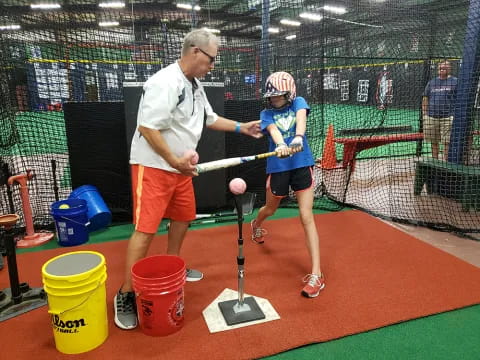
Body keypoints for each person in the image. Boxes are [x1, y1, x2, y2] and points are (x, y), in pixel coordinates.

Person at [114, 29, 262, 330]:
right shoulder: (165, 82)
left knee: (183, 218)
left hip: (180, 168)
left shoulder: (195, 84)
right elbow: (148, 128)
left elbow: (209, 118)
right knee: (145, 230)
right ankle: (126, 292)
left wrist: (241, 128)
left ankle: (172, 267)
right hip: (154, 166)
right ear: (194, 51)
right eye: (211, 59)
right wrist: (174, 161)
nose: (212, 66)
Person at [250, 71, 325, 298]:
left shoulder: (299, 102)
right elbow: (273, 130)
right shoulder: (266, 113)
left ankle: (317, 275)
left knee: (306, 215)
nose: (274, 99)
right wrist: (281, 143)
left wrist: (298, 137)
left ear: (290, 94)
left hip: (302, 164)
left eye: (278, 96)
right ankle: (257, 223)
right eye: (271, 96)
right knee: (270, 209)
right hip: (279, 167)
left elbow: (300, 119)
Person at [422, 60, 458, 160]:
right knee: (434, 141)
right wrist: (424, 114)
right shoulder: (432, 82)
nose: (442, 69)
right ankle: (435, 162)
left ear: (450, 68)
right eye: (441, 67)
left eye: (445, 67)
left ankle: (445, 164)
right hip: (431, 116)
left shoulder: (455, 81)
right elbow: (425, 98)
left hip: (448, 116)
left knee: (447, 142)